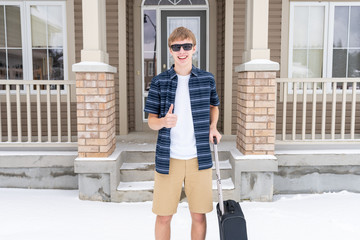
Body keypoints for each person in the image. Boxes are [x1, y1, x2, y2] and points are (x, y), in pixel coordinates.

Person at [144, 26, 221, 240]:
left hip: (199, 157)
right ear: (170, 50)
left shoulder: (206, 79)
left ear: (194, 48)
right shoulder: (159, 81)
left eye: (186, 46)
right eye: (177, 47)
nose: (182, 51)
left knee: (198, 216)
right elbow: (151, 122)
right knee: (163, 217)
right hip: (169, 159)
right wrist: (163, 121)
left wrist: (213, 127)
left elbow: (214, 105)